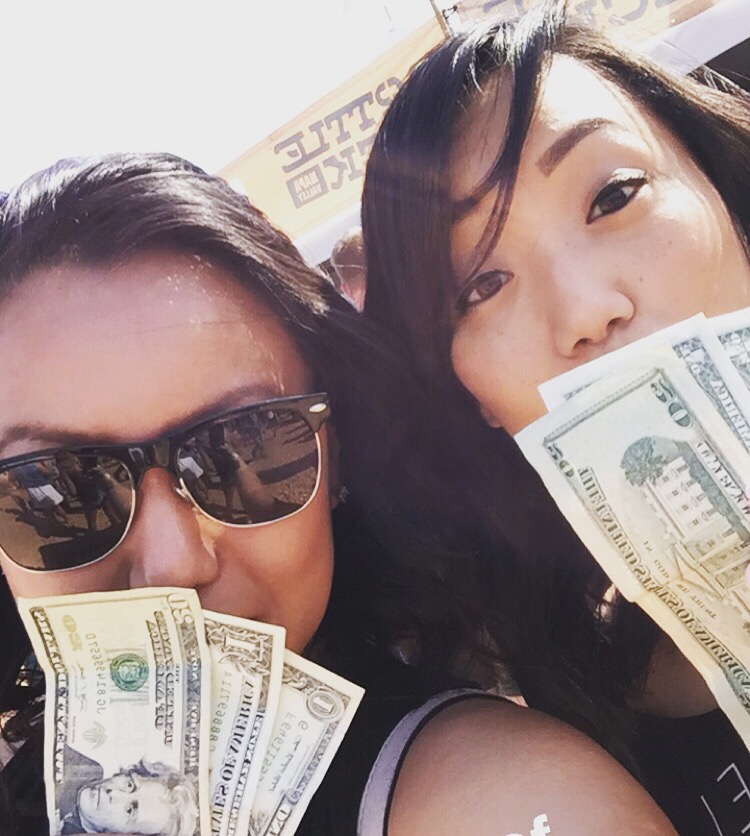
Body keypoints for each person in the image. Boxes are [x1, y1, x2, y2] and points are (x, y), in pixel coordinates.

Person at [0, 152, 674, 836]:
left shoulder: (498, 796)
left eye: (245, 450)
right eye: (58, 490)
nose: (173, 565)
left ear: (338, 458)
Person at [361, 1, 750, 833]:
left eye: (613, 196)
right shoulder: (569, 738)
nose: (584, 311)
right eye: (483, 284)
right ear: (472, 398)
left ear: (721, 191)